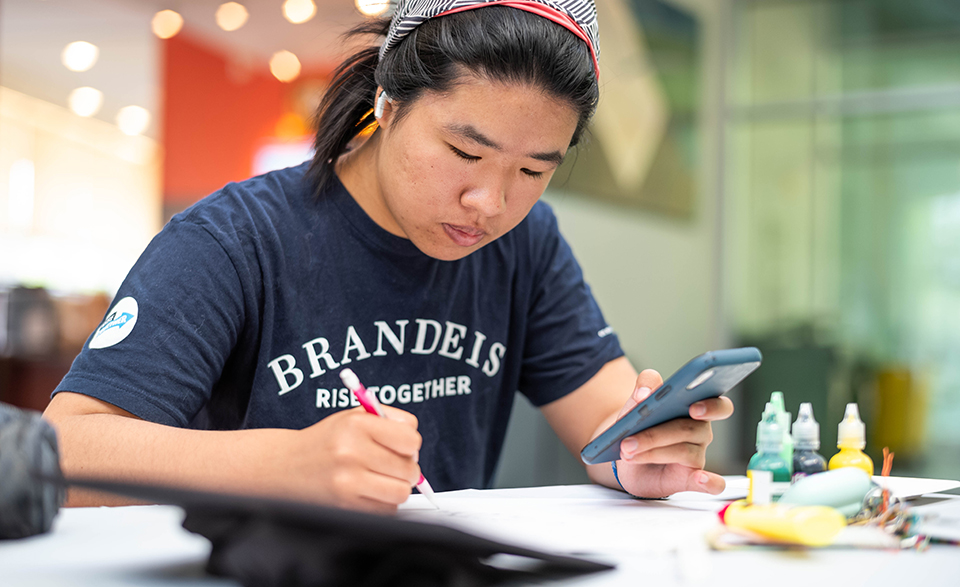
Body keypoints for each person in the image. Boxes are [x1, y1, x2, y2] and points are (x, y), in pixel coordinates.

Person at [43, 0, 733, 512]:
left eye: (533, 171)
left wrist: (641, 454)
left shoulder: (526, 243)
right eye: (466, 152)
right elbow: (63, 454)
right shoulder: (233, 240)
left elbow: (608, 422)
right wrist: (284, 462)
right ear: (389, 101)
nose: (488, 201)